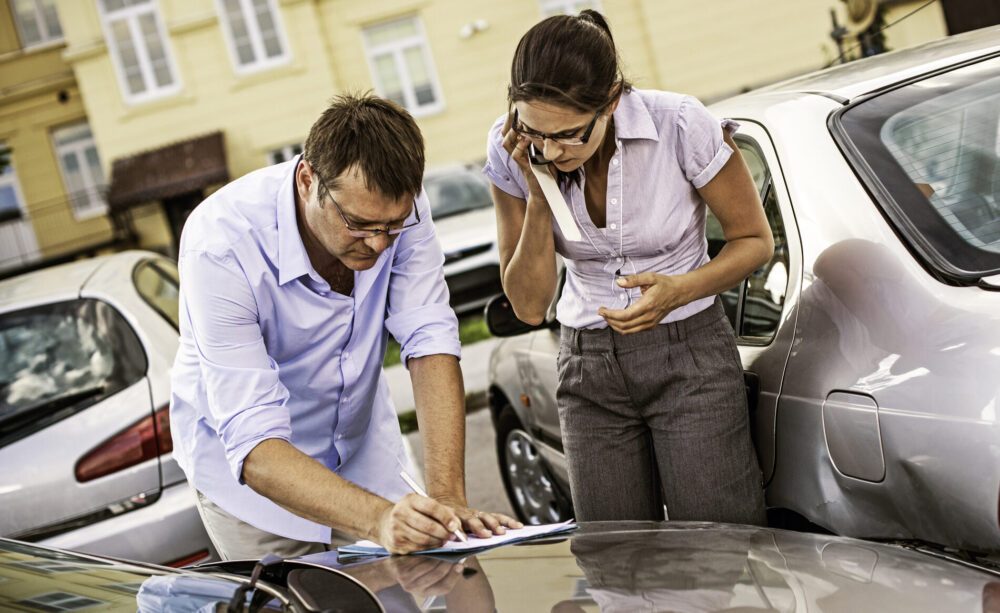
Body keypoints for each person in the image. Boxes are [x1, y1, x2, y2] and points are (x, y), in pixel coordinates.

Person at [170, 93, 520, 560]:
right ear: (307, 179)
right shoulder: (219, 245)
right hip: (258, 488)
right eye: (358, 224)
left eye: (391, 227)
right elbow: (254, 443)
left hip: (362, 452)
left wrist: (447, 499)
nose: (378, 245)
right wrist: (377, 520)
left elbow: (430, 338)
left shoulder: (399, 210)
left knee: (417, 586)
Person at [483, 11, 772, 524]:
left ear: (611, 101)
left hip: (690, 359)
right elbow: (528, 306)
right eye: (535, 132)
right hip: (587, 370)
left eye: (570, 134)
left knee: (720, 550)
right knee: (618, 558)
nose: (551, 149)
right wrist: (537, 192)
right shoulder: (514, 152)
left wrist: (680, 290)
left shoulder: (680, 124)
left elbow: (754, 242)